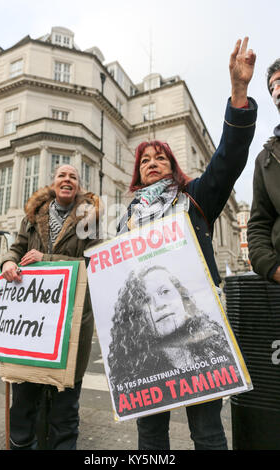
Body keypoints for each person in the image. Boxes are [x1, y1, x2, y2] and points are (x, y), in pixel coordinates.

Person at [116, 38, 257, 450]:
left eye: (161, 157)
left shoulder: (195, 197)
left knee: (208, 433)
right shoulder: (126, 220)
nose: (153, 161)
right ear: (138, 176)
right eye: (146, 160)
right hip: (146, 342)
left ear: (172, 167)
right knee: (151, 435)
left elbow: (229, 158)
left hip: (197, 335)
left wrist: (238, 92)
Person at [0, 164, 102, 450]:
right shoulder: (32, 216)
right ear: (54, 183)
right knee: (22, 408)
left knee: (65, 413)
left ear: (78, 186)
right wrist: (8, 261)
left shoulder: (89, 220)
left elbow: (95, 262)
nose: (67, 179)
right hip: (30, 329)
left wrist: (48, 259)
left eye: (73, 177)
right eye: (62, 175)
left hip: (71, 328)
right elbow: (18, 248)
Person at [108, 265, 240, 416]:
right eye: (145, 300)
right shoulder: (135, 375)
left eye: (165, 292)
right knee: (152, 431)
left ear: (182, 296)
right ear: (136, 316)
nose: (159, 304)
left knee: (208, 428)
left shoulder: (217, 349)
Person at [247, 58, 280, 283]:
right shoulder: (265, 160)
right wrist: (272, 267)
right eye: (272, 87)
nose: (276, 91)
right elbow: (259, 224)